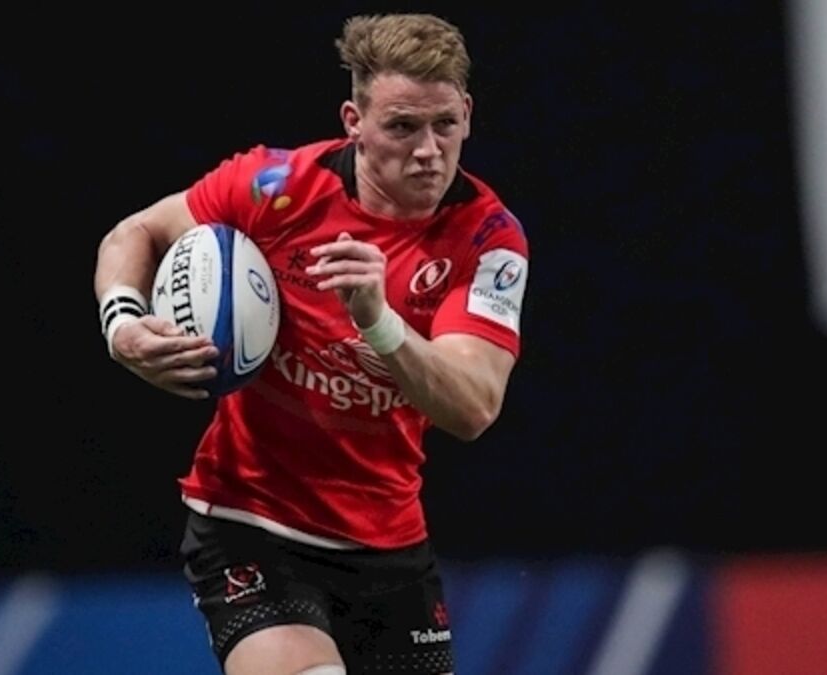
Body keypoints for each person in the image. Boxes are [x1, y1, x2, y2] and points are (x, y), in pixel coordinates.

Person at [93, 12, 528, 675]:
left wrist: (380, 322)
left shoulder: (490, 239)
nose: (428, 150)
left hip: (389, 543)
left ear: (467, 114)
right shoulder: (276, 185)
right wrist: (123, 324)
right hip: (251, 521)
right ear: (354, 121)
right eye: (402, 127)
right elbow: (136, 233)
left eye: (445, 124)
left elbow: (474, 406)